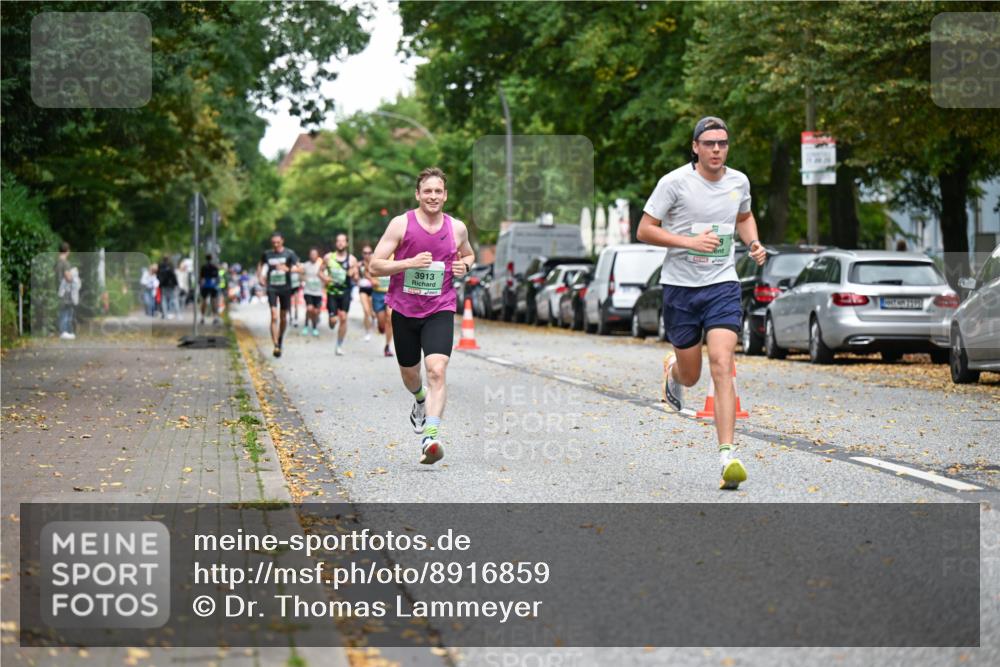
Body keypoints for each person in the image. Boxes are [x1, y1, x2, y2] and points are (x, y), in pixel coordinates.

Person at [636, 116, 767, 490]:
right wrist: (689, 242)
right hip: (680, 288)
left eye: (722, 144)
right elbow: (645, 229)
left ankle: (728, 455)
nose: (716, 150)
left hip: (722, 284)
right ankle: (674, 371)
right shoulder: (674, 183)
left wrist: (753, 242)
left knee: (723, 364)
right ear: (695, 146)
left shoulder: (738, 181)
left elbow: (744, 216)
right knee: (693, 375)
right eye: (708, 143)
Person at [370, 167, 475, 465]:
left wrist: (464, 267)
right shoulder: (401, 224)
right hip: (404, 310)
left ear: (445, 195)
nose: (433, 196)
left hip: (440, 308)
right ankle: (419, 399)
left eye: (438, 191)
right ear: (418, 194)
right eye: (427, 191)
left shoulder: (457, 228)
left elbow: (469, 255)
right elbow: (375, 266)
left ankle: (431, 436)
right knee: (411, 375)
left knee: (437, 370)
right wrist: (408, 263)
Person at [257, 231, 301, 357]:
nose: (275, 245)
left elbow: (300, 268)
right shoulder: (267, 254)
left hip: (286, 288)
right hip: (272, 287)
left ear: (282, 241)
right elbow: (260, 264)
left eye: (278, 242)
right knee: (274, 316)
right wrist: (260, 276)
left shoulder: (289, 253)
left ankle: (280, 338)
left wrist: (288, 269)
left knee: (283, 317)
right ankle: (276, 345)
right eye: (273, 243)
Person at [323, 233, 359, 356]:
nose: (340, 243)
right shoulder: (328, 257)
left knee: (343, 317)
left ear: (347, 243)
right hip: (332, 292)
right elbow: (319, 272)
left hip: (345, 292)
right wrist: (325, 278)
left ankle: (339, 345)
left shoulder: (352, 259)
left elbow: (356, 278)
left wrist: (353, 274)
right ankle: (331, 320)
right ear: (336, 243)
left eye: (343, 241)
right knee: (333, 320)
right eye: (338, 241)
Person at [370, 250, 394, 357]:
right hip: (378, 294)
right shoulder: (377, 255)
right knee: (381, 322)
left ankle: (387, 346)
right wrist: (371, 279)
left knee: (389, 318)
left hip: (391, 293)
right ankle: (381, 327)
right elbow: (369, 270)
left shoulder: (396, 256)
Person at [300, 248, 327, 337]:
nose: (313, 256)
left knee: (316, 311)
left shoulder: (321, 265)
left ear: (317, 255)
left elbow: (325, 276)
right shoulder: (306, 265)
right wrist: (304, 279)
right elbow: (301, 275)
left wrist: (324, 285)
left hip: (318, 292)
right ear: (309, 255)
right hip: (308, 291)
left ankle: (314, 327)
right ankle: (306, 326)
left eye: (315, 254)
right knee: (309, 309)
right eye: (311, 254)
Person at [55, 242, 79, 339]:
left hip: (59, 289)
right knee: (66, 310)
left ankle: (66, 332)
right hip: (66, 290)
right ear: (67, 251)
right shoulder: (65, 263)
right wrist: (74, 277)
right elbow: (68, 277)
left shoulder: (57, 262)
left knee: (64, 310)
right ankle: (64, 331)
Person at [357, 244, 377, 341]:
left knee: (372, 312)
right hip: (363, 289)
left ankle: (373, 319)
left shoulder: (375, 264)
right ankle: (367, 332)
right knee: (366, 311)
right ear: (362, 254)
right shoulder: (359, 265)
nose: (367, 255)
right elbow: (355, 277)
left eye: (369, 253)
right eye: (365, 253)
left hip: (374, 290)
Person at [199, 254, 220, 325]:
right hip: (213, 286)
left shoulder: (203, 267)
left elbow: (201, 278)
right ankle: (215, 318)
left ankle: (202, 317)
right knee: (213, 301)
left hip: (205, 286)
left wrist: (201, 286)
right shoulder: (215, 267)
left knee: (204, 301)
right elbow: (217, 278)